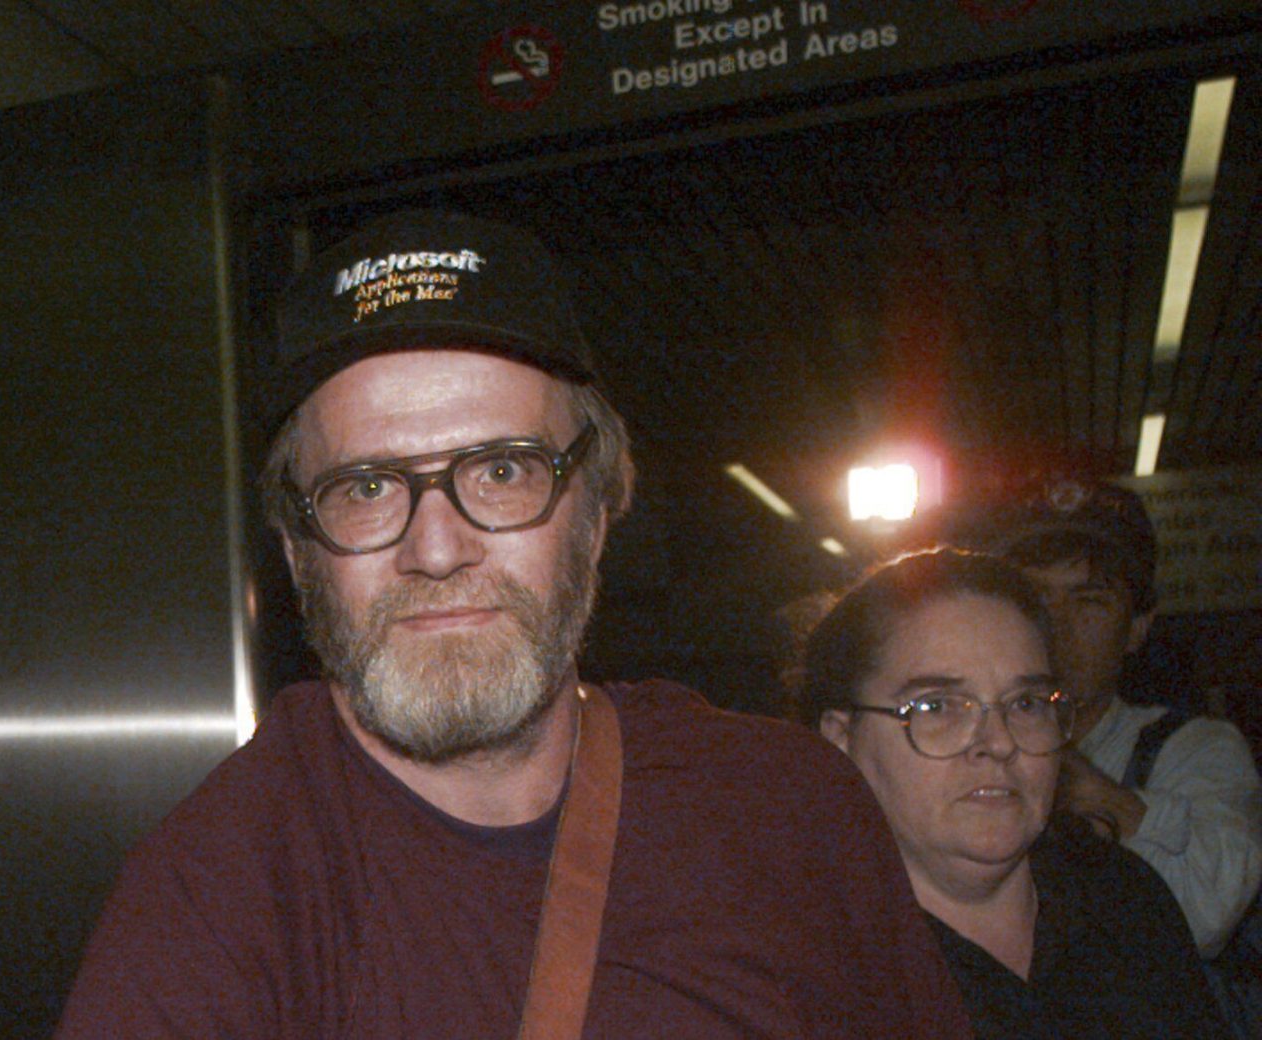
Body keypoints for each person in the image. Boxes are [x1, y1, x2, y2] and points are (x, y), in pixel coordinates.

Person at [52, 210, 972, 1039]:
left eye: (502, 472)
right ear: (298, 552)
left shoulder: (790, 810)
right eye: (366, 489)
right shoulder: (217, 897)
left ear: (598, 509)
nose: (437, 548)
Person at [798, 548, 1229, 1039]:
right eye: (937, 707)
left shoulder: (1123, 898)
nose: (1000, 742)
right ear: (841, 738)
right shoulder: (806, 967)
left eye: (1026, 703)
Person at [979, 477, 1262, 962]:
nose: (1056, 625)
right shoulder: (948, 740)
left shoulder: (1194, 748)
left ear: (1136, 628)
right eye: (1035, 599)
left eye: (1089, 601)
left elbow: (1205, 916)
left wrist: (1068, 775)